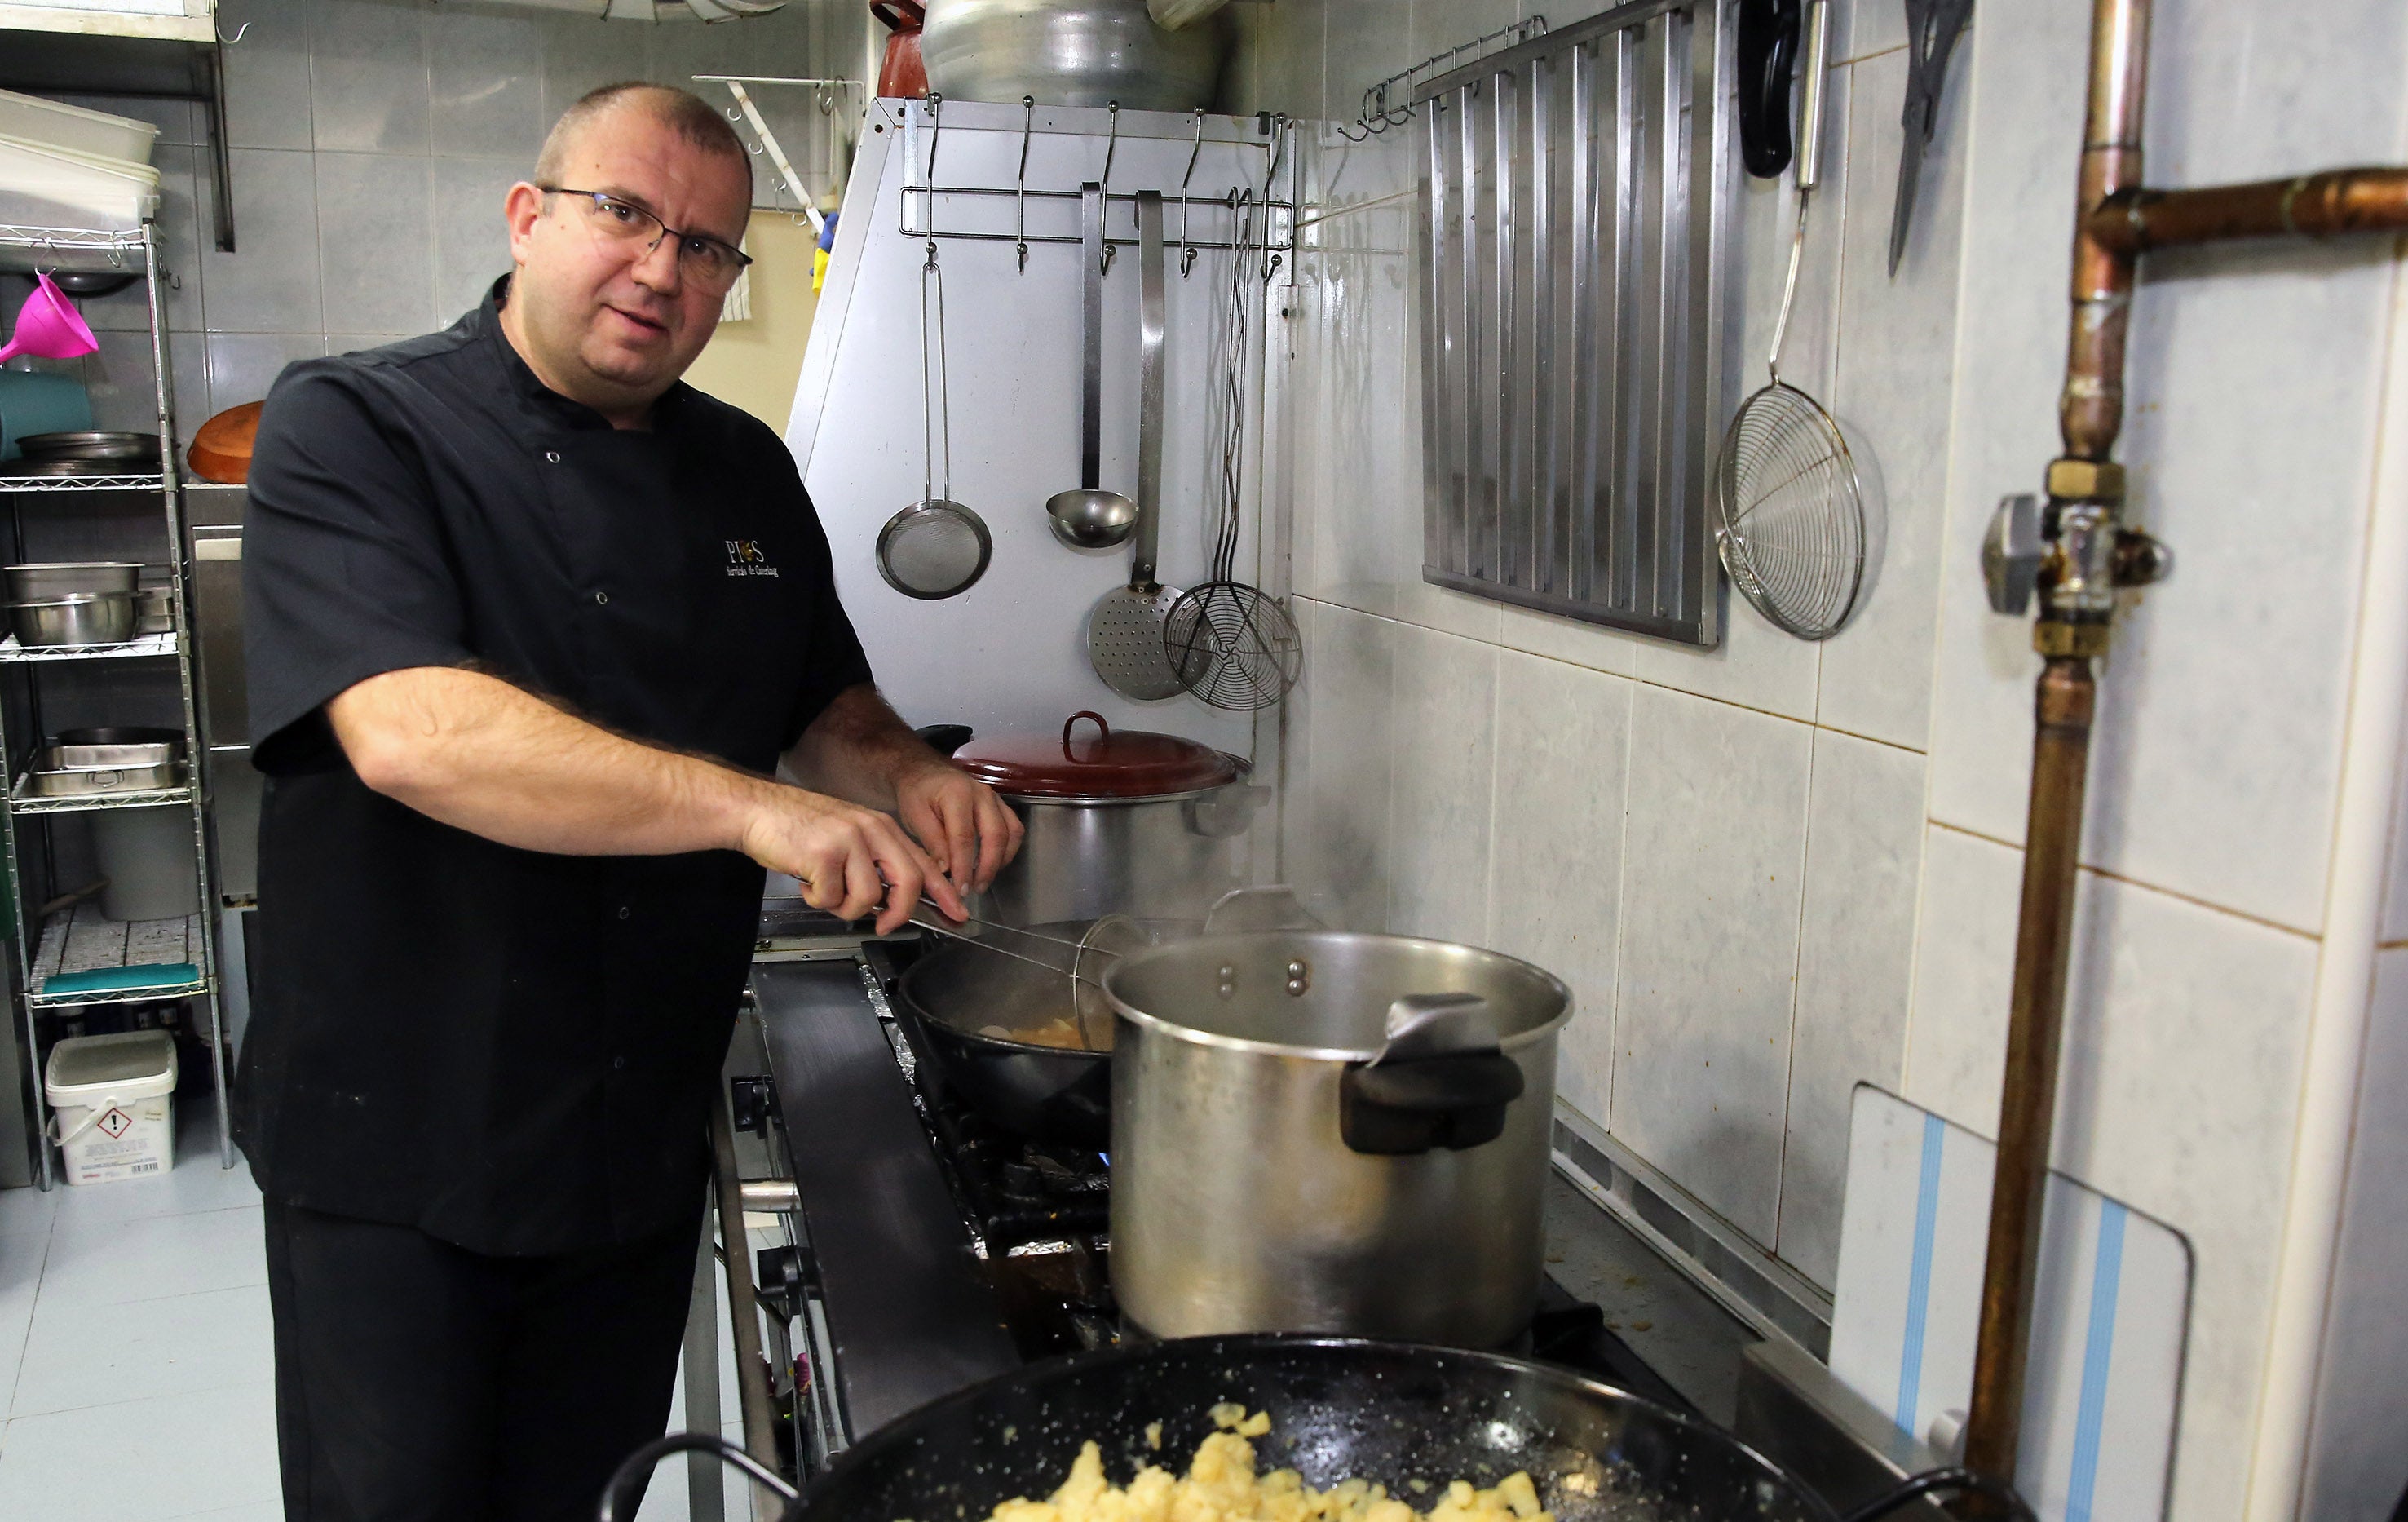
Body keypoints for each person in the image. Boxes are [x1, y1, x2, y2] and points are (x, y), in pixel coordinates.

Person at [234, 82, 1022, 1521]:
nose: (664, 268)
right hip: (403, 1134)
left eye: (711, 246)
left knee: (577, 1496)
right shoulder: (354, 422)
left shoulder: (745, 468)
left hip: (630, 1128)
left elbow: (817, 704)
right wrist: (756, 813)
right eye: (627, 214)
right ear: (528, 218)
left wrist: (903, 770)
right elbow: (412, 731)